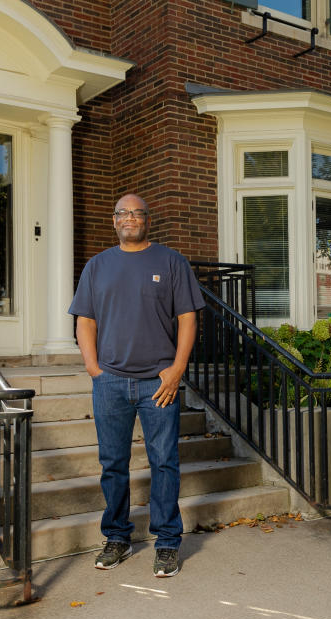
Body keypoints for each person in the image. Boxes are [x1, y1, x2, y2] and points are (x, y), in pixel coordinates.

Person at [69, 193, 205, 578]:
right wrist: (94, 369)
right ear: (114, 221)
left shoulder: (171, 262)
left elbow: (188, 318)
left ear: (148, 220)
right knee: (113, 464)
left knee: (164, 462)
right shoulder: (97, 267)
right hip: (110, 382)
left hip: (158, 383)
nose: (130, 218)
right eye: (123, 213)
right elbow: (85, 321)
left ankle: (166, 543)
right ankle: (117, 537)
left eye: (137, 213)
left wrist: (177, 369)